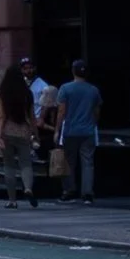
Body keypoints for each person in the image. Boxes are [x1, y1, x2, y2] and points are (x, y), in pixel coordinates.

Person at [0, 60, 41, 208]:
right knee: (26, 163)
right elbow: (32, 116)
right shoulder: (27, 93)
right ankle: (28, 188)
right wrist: (35, 134)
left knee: (9, 166)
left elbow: (1, 115)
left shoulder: (3, 92)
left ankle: (12, 200)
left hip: (7, 131)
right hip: (24, 131)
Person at [56, 58, 101, 204]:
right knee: (88, 162)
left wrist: (57, 130)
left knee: (69, 161)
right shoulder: (93, 90)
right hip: (88, 130)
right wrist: (93, 123)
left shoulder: (65, 88)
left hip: (70, 130)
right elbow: (96, 111)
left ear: (72, 71)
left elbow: (61, 111)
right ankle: (87, 193)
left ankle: (69, 190)